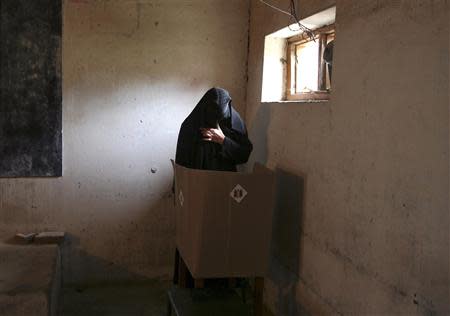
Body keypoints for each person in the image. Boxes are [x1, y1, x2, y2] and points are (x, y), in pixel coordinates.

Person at [175, 87, 253, 171]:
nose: (215, 123)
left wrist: (223, 140)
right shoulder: (190, 125)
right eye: (211, 117)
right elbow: (181, 164)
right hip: (196, 180)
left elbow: (244, 156)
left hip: (225, 179)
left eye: (220, 118)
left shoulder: (234, 124)